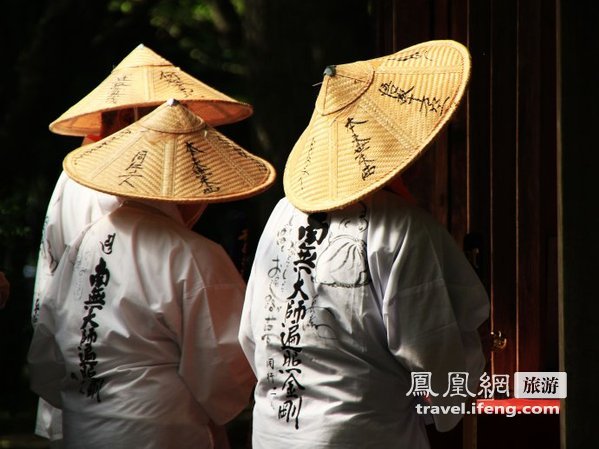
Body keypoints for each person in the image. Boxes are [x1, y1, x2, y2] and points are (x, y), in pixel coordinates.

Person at [238, 40, 490, 448]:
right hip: (365, 434)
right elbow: (431, 351)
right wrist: (454, 398)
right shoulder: (402, 226)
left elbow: (252, 337)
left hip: (274, 433)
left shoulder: (282, 213)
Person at [31, 44, 255, 448]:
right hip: (162, 428)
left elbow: (46, 356)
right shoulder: (193, 254)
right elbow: (225, 375)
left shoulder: (85, 243)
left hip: (85, 424)